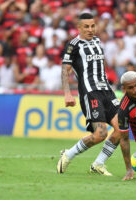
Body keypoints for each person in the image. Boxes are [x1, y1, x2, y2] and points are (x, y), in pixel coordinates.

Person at [56, 13, 121, 176]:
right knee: (100, 134)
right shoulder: (73, 45)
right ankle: (68, 154)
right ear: (79, 28)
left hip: (107, 91)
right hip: (91, 93)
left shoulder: (98, 41)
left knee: (122, 129)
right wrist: (67, 93)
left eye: (93, 26)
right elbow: (65, 70)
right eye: (86, 26)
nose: (90, 29)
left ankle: (98, 164)